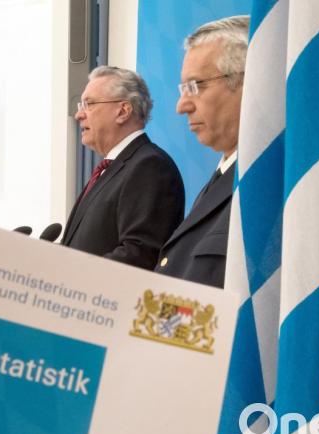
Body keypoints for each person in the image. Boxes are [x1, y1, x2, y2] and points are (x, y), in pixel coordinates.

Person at [155, 15, 250, 288]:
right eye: (183, 89)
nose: (181, 106)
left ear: (248, 81)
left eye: (195, 86)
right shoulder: (222, 177)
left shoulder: (269, 181)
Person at [62, 66, 185, 270]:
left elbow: (139, 254)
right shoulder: (111, 168)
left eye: (89, 104)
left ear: (123, 111)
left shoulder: (149, 166)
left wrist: (76, 275)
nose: (78, 115)